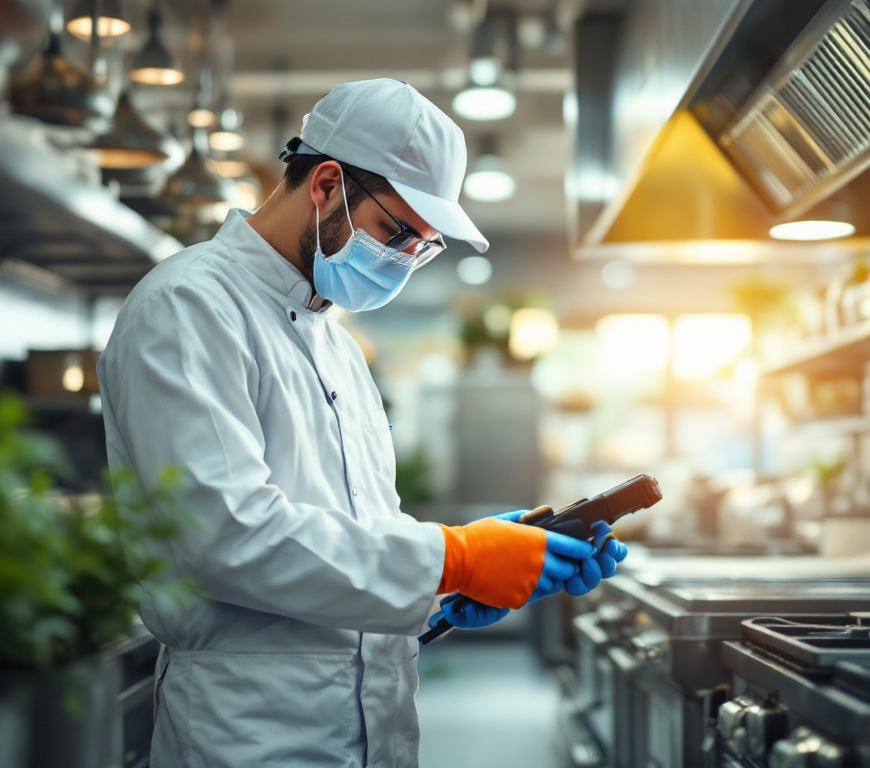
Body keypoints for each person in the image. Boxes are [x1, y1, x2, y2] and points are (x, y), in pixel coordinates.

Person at [97, 79, 628, 768]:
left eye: (423, 246)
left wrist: (447, 588)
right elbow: (225, 537)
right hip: (250, 736)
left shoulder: (335, 344)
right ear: (325, 185)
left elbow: (351, 534)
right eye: (397, 232)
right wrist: (453, 555)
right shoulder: (189, 306)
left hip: (372, 730)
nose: (405, 260)